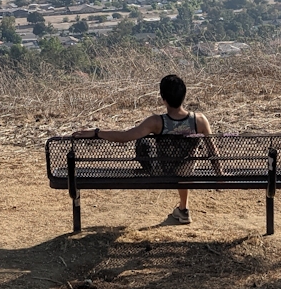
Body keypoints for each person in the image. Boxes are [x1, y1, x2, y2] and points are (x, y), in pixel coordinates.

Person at [72, 74, 216, 225]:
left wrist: (97, 132)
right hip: (185, 171)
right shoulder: (199, 120)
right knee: (187, 157)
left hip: (161, 170)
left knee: (143, 142)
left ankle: (183, 208)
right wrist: (220, 176)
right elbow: (213, 151)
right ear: (184, 95)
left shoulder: (155, 122)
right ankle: (183, 208)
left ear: (163, 98)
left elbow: (125, 136)